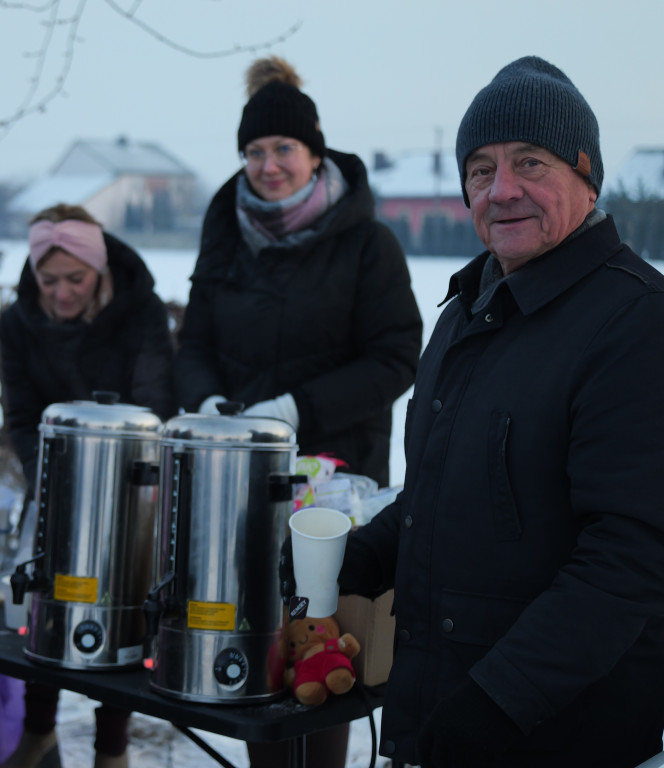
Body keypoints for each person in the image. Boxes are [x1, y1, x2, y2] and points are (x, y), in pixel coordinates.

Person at [336, 56, 664, 768]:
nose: (502, 189)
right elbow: (449, 490)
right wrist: (361, 556)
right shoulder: (468, 310)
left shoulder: (636, 321)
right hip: (442, 718)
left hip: (562, 736)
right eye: (480, 170)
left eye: (531, 163)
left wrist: (496, 703)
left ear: (586, 175)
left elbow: (630, 559)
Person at [174, 56, 422, 767]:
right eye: (254, 151)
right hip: (239, 482)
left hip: (336, 485)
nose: (268, 165)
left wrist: (296, 409)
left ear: (315, 152)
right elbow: (193, 343)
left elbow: (396, 356)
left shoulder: (366, 242)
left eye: (282, 148)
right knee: (257, 640)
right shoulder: (226, 237)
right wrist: (209, 404)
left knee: (323, 643)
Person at [0, 203, 175, 768]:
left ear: (99, 269)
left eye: (76, 279)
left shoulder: (140, 311)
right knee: (49, 600)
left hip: (130, 483)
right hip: (52, 477)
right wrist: (48, 476)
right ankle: (38, 732)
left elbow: (156, 407)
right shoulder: (18, 320)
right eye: (49, 281)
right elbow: (22, 415)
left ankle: (111, 749)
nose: (63, 293)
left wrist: (111, 479)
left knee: (118, 607)